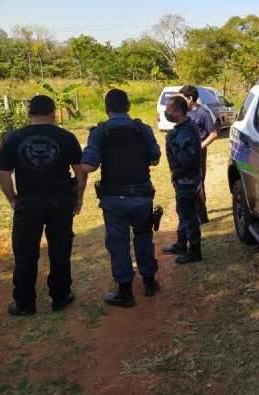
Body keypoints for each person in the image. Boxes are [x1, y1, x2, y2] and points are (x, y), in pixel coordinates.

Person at [0, 95, 87, 316]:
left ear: (29, 114)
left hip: (28, 203)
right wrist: (79, 197)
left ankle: (25, 303)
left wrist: (13, 199)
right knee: (60, 250)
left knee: (25, 253)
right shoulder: (66, 137)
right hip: (60, 202)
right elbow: (80, 171)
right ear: (53, 113)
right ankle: (60, 296)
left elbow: (2, 172)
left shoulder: (13, 138)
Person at [81, 89, 161, 308]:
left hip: (114, 199)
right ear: (128, 107)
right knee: (144, 237)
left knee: (118, 243)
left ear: (106, 109)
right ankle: (149, 283)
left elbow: (89, 165)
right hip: (142, 197)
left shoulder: (100, 133)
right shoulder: (142, 130)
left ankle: (125, 292)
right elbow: (155, 160)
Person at [162, 96, 203, 264]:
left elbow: (187, 160)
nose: (167, 113)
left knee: (188, 214)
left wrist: (176, 173)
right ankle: (181, 243)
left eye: (170, 110)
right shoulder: (183, 129)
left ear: (178, 112)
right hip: (185, 178)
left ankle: (194, 251)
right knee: (182, 211)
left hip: (186, 179)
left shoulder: (184, 132)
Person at [177, 85, 218, 224]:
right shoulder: (182, 112)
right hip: (182, 154)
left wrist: (200, 146)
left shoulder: (203, 112)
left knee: (198, 183)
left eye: (182, 97)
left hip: (197, 154)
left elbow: (213, 134)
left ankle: (202, 217)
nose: (179, 100)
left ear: (190, 98)